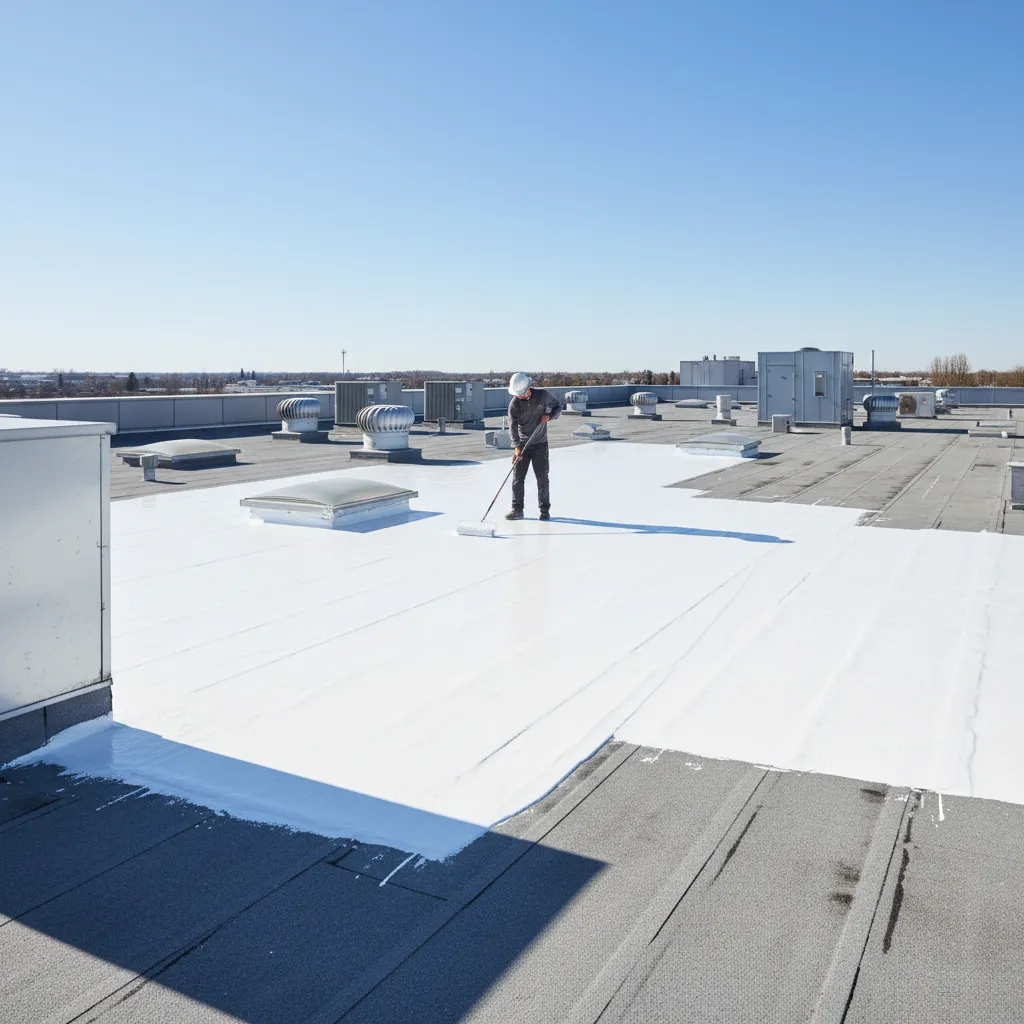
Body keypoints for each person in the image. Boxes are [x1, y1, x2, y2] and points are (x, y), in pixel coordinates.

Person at [505, 372, 562, 520]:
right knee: (518, 478)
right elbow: (512, 427)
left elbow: (558, 407)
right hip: (523, 445)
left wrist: (549, 416)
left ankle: (544, 510)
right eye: (517, 394)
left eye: (521, 393)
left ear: (528, 388)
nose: (519, 396)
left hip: (540, 445)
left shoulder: (542, 396)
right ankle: (517, 509)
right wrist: (516, 447)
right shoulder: (514, 405)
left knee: (542, 478)